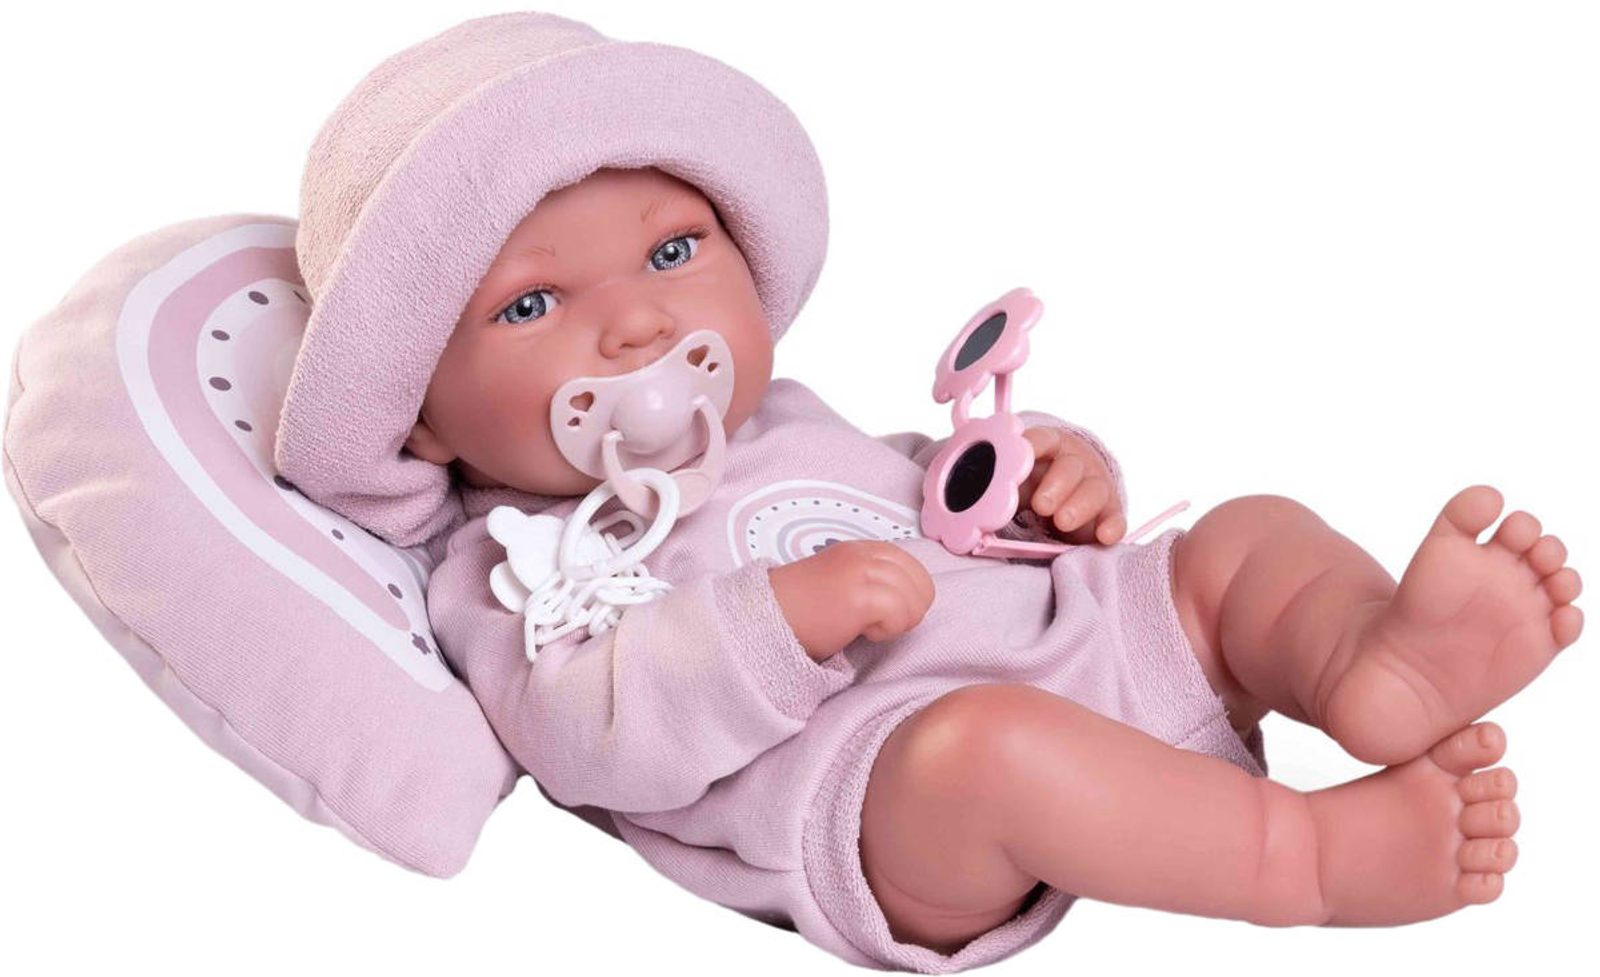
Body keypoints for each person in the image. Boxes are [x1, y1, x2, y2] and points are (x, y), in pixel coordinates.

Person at [274, 12, 1582, 973]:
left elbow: (932, 499)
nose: (638, 322)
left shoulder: (787, 417)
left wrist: (1049, 478)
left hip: (1082, 644)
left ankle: (1364, 659)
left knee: (1245, 536)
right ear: (420, 412)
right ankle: (1306, 858)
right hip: (895, 798)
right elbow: (587, 735)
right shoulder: (513, 561)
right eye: (532, 304)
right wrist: (778, 618)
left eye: (672, 250)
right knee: (989, 749)